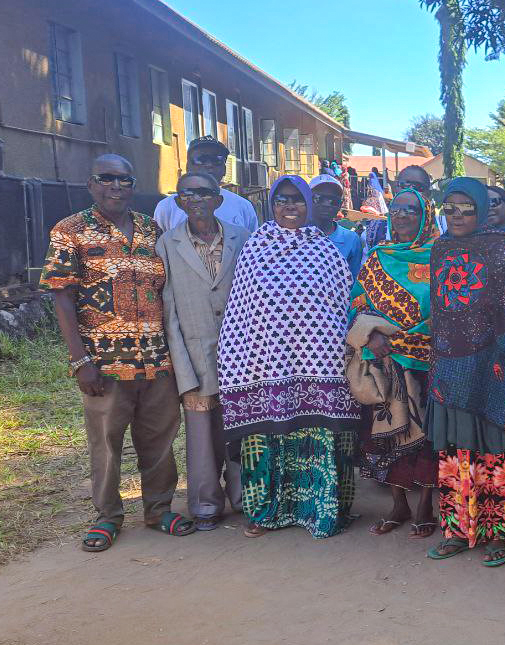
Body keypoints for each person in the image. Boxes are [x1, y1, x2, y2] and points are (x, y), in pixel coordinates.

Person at [40, 154, 194, 551]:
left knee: (160, 438)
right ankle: (107, 515)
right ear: (91, 184)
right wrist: (80, 361)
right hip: (104, 364)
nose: (116, 186)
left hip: (157, 359)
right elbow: (62, 296)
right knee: (106, 444)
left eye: (124, 180)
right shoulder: (71, 230)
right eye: (106, 178)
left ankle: (159, 509)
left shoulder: (150, 229)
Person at [218, 175, 362, 539]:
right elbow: (242, 308)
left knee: (319, 434)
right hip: (265, 364)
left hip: (320, 365)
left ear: (308, 205)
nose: (289, 207)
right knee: (267, 437)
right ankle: (267, 511)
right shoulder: (255, 246)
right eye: (281, 200)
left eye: (297, 200)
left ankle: (322, 512)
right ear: (272, 205)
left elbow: (341, 303)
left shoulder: (325, 249)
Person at [425, 177, 505, 566]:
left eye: (465, 208)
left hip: (491, 366)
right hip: (449, 363)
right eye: (448, 208)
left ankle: (499, 532)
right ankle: (457, 529)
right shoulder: (439, 249)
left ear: (480, 209)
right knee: (455, 446)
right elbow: (440, 309)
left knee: (494, 446)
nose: (455, 216)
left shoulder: (503, 251)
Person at [156, 172, 250, 531]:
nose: (196, 200)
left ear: (218, 199)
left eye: (204, 193)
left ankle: (245, 497)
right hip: (194, 352)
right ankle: (207, 504)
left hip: (242, 352)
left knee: (241, 429)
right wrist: (182, 367)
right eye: (188, 194)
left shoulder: (242, 238)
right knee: (201, 436)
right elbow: (168, 311)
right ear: (178, 202)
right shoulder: (167, 244)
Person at [349, 188, 441, 538]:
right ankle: (398, 504)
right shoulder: (377, 256)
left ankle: (424, 507)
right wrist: (371, 336)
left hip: (428, 356)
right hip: (383, 355)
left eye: (411, 210)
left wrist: (414, 335)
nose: (402, 216)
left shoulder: (440, 255)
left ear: (426, 216)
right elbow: (357, 302)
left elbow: (449, 304)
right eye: (397, 209)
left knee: (426, 435)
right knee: (389, 434)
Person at [154, 136, 259, 233]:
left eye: (216, 160)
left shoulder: (243, 207)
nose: (209, 165)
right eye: (201, 159)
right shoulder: (167, 208)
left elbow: (253, 249)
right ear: (188, 166)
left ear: (224, 169)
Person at [366, 165, 439, 248]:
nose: (411, 190)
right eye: (405, 185)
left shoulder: (445, 227)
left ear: (429, 193)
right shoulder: (376, 231)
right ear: (396, 188)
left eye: (418, 187)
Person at [309, 174, 364, 279]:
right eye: (318, 198)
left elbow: (354, 280)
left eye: (332, 200)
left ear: (340, 204)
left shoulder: (351, 239)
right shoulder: (296, 236)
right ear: (307, 200)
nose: (326, 204)